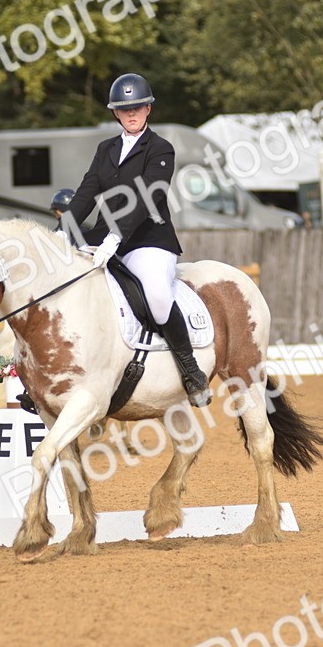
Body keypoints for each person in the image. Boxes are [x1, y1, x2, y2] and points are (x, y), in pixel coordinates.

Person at [61, 73, 211, 406]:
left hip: (148, 240)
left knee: (157, 295)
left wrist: (116, 237)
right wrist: (62, 232)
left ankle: (190, 370)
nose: (132, 114)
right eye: (125, 109)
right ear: (116, 112)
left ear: (148, 109)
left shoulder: (160, 149)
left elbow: (147, 197)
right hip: (103, 237)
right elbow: (86, 193)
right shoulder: (106, 149)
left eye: (138, 107)